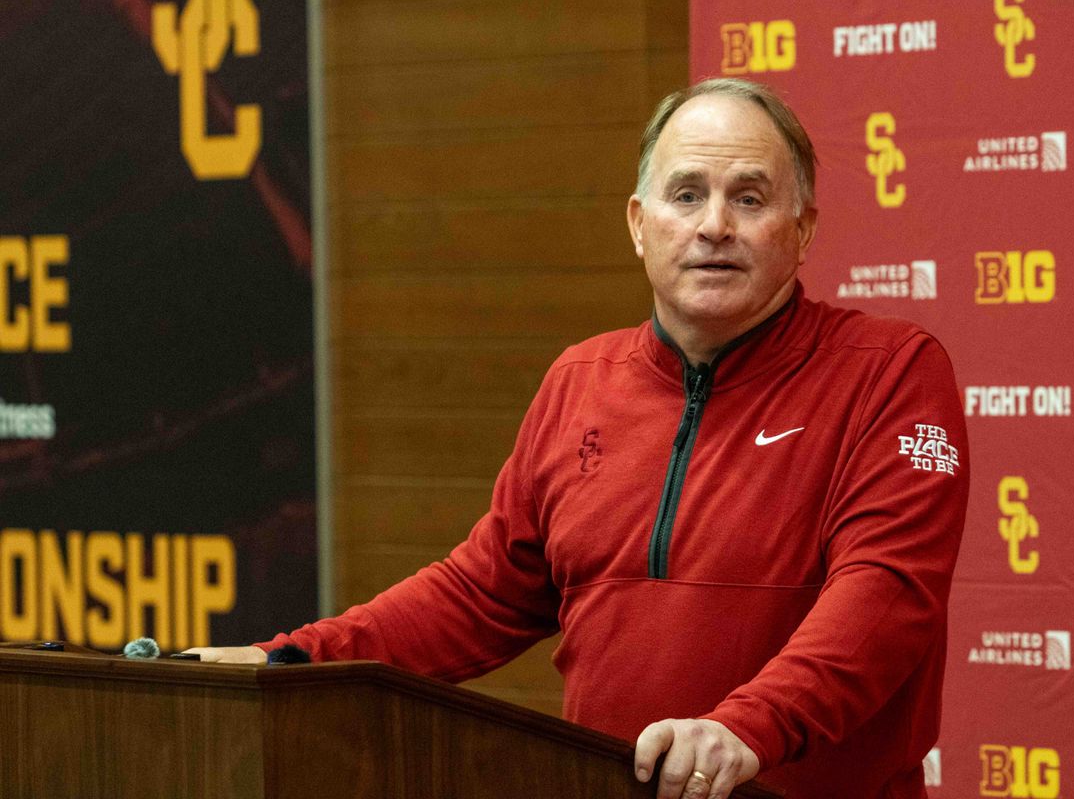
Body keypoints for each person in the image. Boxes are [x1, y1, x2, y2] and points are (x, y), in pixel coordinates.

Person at [190, 78, 969, 799]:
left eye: (751, 198)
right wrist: (289, 660)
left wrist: (744, 729)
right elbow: (481, 592)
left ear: (802, 231)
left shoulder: (893, 373)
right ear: (640, 224)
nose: (713, 226)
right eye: (687, 194)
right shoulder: (580, 380)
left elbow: (884, 599)